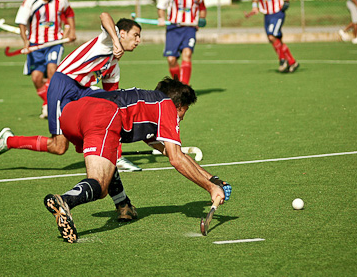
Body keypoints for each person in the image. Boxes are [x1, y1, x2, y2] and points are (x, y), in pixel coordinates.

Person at [0, 13, 142, 220]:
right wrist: (115, 41)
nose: (139, 40)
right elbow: (104, 15)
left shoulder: (114, 67)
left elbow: (112, 101)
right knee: (59, 147)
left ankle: (118, 171)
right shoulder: (107, 40)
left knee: (112, 106)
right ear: (121, 33)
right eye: (136, 35)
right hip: (64, 84)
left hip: (83, 91)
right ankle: (9, 140)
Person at [43, 78, 232, 243]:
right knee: (99, 186)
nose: (181, 118)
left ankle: (123, 205)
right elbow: (176, 159)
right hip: (101, 114)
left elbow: (174, 153)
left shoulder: (146, 109)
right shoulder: (166, 105)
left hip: (71, 114)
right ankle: (65, 200)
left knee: (107, 160)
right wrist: (210, 188)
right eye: (184, 111)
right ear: (179, 106)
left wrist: (212, 179)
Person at [15, 0, 76, 119]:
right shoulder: (30, 1)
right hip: (36, 44)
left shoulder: (61, 0)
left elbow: (69, 13)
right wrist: (25, 41)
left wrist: (71, 32)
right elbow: (22, 23)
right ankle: (48, 102)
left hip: (55, 42)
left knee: (51, 70)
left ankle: (53, 105)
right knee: (36, 78)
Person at [245, 0, 299, 73]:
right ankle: (292, 62)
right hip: (267, 15)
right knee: (276, 40)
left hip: (278, 13)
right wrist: (255, 8)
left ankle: (282, 60)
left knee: (271, 36)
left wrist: (287, 1)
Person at [156, 0, 207, 85]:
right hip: (173, 28)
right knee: (171, 59)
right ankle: (178, 84)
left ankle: (184, 85)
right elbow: (161, 6)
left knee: (187, 54)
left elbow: (202, 7)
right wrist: (161, 18)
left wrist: (202, 19)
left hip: (189, 28)